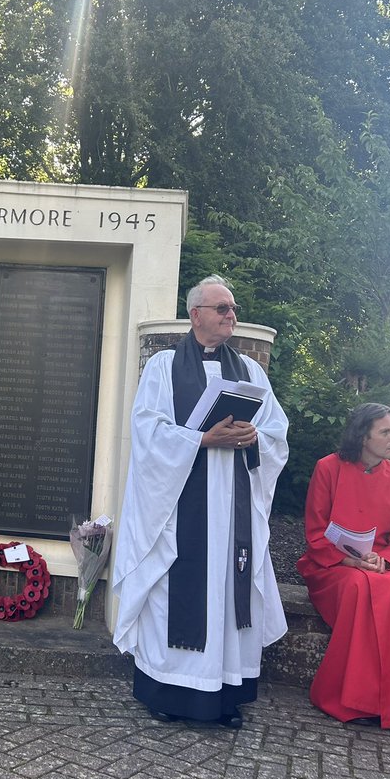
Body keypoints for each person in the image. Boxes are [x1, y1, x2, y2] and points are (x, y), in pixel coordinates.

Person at [112, 275, 289, 729]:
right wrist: (200, 438)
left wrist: (254, 438)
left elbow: (276, 433)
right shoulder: (164, 367)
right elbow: (147, 431)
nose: (231, 316)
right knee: (176, 588)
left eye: (232, 308)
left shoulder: (251, 372)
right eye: (222, 308)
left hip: (233, 511)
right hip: (182, 506)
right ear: (196, 315)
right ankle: (167, 692)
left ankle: (225, 696)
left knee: (229, 593)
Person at [297, 402, 390, 736]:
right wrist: (348, 559)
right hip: (331, 566)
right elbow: (315, 531)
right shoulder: (328, 468)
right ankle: (348, 700)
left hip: (377, 567)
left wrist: (380, 560)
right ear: (363, 435)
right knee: (361, 588)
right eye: (386, 431)